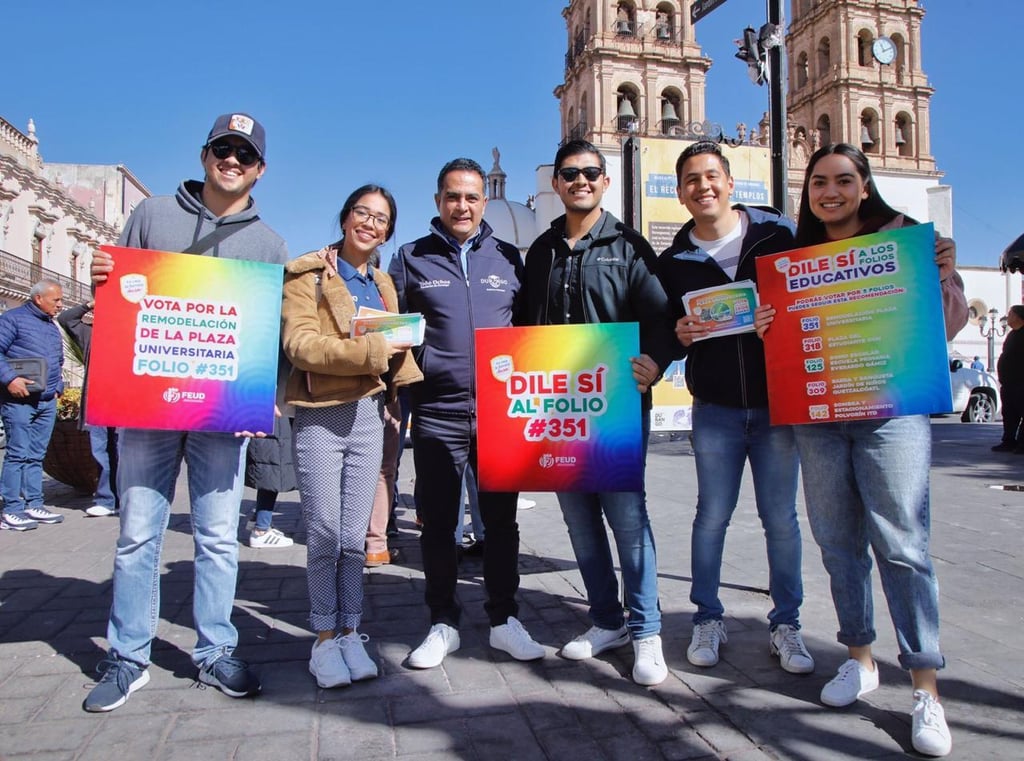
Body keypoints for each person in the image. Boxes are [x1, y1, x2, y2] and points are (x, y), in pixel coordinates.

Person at [756, 143, 966, 757]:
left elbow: (944, 325)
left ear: (865, 186)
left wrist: (942, 277)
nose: (831, 192)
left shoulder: (904, 239)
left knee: (902, 544)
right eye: (819, 182)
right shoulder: (794, 256)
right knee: (837, 543)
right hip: (819, 418)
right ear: (808, 192)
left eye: (844, 180)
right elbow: (787, 339)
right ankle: (860, 658)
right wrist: (770, 327)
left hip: (890, 416)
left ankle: (925, 686)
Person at [83, 113, 288, 712]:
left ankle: (215, 650)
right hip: (147, 406)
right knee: (137, 533)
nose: (232, 160)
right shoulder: (153, 217)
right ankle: (128, 656)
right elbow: (119, 300)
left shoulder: (269, 244)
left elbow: (270, 332)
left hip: (221, 414)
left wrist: (263, 395)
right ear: (204, 156)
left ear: (260, 169)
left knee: (219, 537)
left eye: (244, 154)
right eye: (223, 149)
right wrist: (101, 276)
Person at [522, 140, 678, 685]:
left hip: (616, 408)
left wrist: (656, 361)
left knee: (628, 520)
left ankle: (647, 629)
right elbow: (523, 328)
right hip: (559, 410)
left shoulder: (629, 246)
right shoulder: (542, 251)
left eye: (590, 172)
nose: (580, 181)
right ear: (556, 184)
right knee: (580, 523)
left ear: (605, 182)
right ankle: (607, 620)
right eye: (569, 173)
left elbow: (662, 319)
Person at [655, 141, 814, 675]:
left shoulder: (778, 235)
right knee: (711, 517)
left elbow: (813, 293)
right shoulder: (674, 262)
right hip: (716, 408)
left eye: (711, 176)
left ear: (729, 182)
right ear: (680, 194)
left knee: (781, 520)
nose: (703, 187)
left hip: (777, 405)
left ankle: (786, 623)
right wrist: (678, 335)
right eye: (691, 180)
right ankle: (707, 617)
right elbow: (667, 332)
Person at [389, 158, 544, 668]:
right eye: (453, 196)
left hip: (500, 412)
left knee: (501, 523)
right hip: (437, 411)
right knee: (439, 524)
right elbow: (393, 332)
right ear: (438, 201)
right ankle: (443, 622)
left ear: (484, 202)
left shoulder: (507, 258)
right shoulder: (411, 257)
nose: (462, 206)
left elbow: (528, 330)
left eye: (472, 197)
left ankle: (504, 620)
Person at [282, 184, 421, 688]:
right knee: (324, 533)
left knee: (353, 537)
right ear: (345, 218)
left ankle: (350, 631)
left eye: (381, 219)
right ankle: (323, 638)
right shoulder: (309, 275)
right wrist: (371, 352)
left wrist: (406, 349)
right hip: (321, 414)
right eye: (363, 213)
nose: (370, 223)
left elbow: (393, 345)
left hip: (369, 414)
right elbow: (300, 344)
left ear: (387, 232)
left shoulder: (382, 282)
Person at [0, 279, 65, 531]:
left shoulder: (50, 325)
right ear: (39, 298)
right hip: (19, 400)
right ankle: (11, 509)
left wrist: (58, 386)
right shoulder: (12, 319)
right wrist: (10, 379)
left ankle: (34, 504)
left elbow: (58, 359)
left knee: (37, 455)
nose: (60, 304)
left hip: (46, 400)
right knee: (17, 453)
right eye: (56, 300)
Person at [57, 300, 120, 518]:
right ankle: (106, 500)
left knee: (122, 453)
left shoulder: (133, 333)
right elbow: (66, 319)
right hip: (97, 402)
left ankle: (124, 499)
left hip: (124, 404)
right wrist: (90, 304)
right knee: (100, 453)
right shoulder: (90, 333)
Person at [991, 306, 1024, 452]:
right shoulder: (1012, 335)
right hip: (1008, 383)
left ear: (1018, 317)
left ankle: (1022, 444)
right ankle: (1008, 441)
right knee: (1009, 414)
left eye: (1010, 314)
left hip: (1021, 383)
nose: (1007, 316)